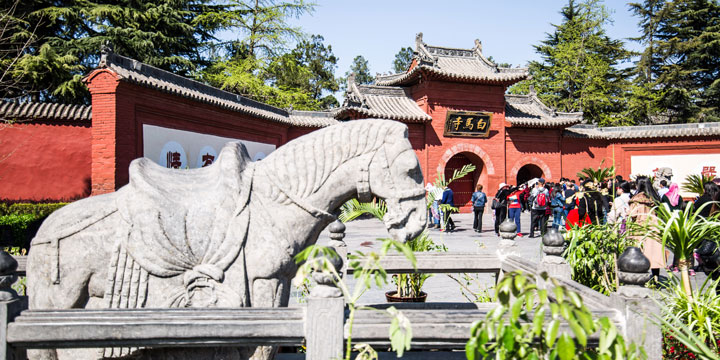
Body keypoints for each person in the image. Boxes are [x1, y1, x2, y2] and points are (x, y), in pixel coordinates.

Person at [628, 177, 664, 279]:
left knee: (640, 252)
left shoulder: (636, 200)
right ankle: (656, 277)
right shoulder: (654, 198)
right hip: (654, 226)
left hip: (640, 227)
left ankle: (639, 277)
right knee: (654, 253)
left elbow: (632, 214)